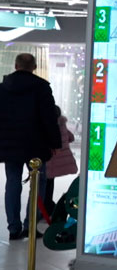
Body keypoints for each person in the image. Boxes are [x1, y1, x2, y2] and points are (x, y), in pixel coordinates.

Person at [0, 53, 61, 241]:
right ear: (34, 67)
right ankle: (31, 226)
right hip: (36, 144)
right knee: (38, 183)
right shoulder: (42, 87)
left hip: (9, 144)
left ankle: (13, 228)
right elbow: (49, 118)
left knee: (12, 183)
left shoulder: (3, 88)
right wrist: (54, 143)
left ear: (16, 66)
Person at [41, 113, 76, 220]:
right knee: (50, 183)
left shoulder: (48, 124)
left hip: (50, 159)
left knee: (45, 184)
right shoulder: (62, 125)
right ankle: (49, 205)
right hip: (58, 161)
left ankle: (46, 206)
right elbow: (71, 137)